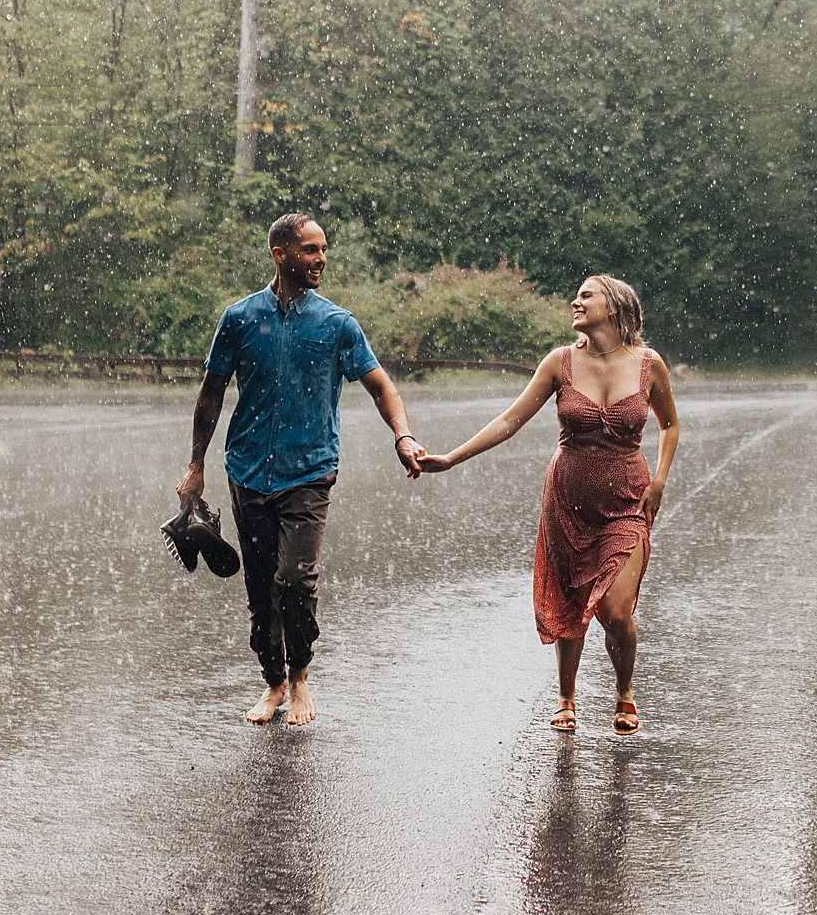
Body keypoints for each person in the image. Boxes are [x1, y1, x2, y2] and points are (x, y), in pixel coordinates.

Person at [177, 213, 425, 725]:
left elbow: (382, 386)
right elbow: (210, 394)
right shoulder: (240, 318)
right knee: (261, 586)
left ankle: (301, 678)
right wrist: (196, 465)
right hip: (247, 469)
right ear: (280, 253)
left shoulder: (337, 324)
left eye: (324, 249)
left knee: (294, 579)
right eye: (310, 250)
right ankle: (272, 683)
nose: (321, 259)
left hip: (309, 471)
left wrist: (401, 435)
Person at [417, 275, 679, 733]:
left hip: (627, 501)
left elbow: (670, 425)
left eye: (586, 295)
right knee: (571, 599)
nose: (575, 301)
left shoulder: (648, 364)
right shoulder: (560, 362)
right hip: (568, 502)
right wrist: (452, 458)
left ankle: (624, 690)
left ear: (615, 306)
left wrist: (659, 482)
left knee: (616, 610)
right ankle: (566, 695)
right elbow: (509, 421)